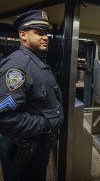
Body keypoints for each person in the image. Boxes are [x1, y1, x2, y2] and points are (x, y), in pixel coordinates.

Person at [0, 10, 64, 181]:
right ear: (23, 35)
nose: (45, 37)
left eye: (46, 33)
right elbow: (4, 117)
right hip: (24, 149)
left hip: (35, 147)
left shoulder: (35, 61)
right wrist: (45, 124)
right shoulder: (18, 66)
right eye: (39, 33)